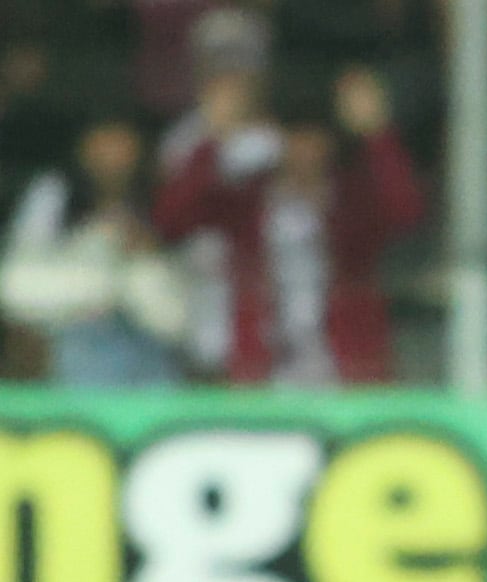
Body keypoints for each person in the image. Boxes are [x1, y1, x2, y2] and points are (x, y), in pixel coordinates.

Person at [152, 65, 426, 385]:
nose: (306, 152)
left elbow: (407, 212)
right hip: (261, 369)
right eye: (295, 138)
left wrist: (378, 134)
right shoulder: (249, 200)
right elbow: (172, 218)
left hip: (348, 368)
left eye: (316, 140)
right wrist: (213, 135)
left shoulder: (352, 201)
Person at [1, 117, 190, 386]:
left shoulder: (162, 202)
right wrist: (100, 264)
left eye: (123, 144)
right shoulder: (57, 193)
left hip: (152, 377)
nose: (114, 157)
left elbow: (175, 321)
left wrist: (140, 259)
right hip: (75, 371)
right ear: (85, 147)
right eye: (104, 143)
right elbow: (15, 290)